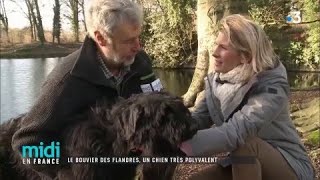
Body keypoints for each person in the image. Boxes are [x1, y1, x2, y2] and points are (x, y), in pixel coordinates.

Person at [11, 0, 162, 178]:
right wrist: (75, 167)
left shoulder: (141, 62)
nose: (138, 46)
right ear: (100, 38)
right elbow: (27, 143)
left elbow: (156, 104)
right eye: (129, 41)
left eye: (138, 37)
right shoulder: (66, 80)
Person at [180, 14, 315, 180]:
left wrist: (182, 147)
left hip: (289, 165)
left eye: (223, 47)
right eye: (216, 44)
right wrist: (164, 135)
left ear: (245, 56)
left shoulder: (272, 87)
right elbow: (196, 121)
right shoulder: (215, 80)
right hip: (244, 161)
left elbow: (237, 132)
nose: (214, 52)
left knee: (245, 143)